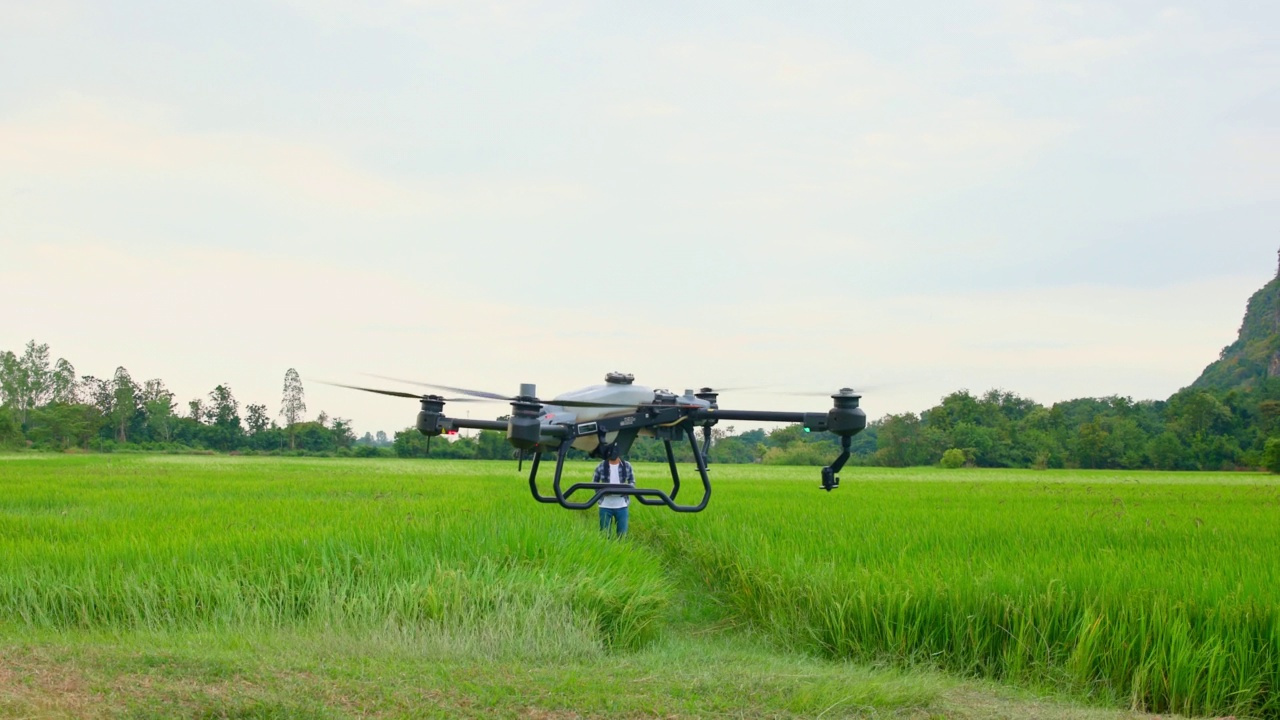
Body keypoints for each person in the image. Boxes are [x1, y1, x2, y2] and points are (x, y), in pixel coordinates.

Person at [592, 443, 635, 537]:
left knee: (622, 535)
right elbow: (594, 483)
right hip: (605, 505)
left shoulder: (627, 466)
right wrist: (601, 492)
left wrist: (626, 491)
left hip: (622, 505)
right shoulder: (601, 466)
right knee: (604, 535)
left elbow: (632, 481)